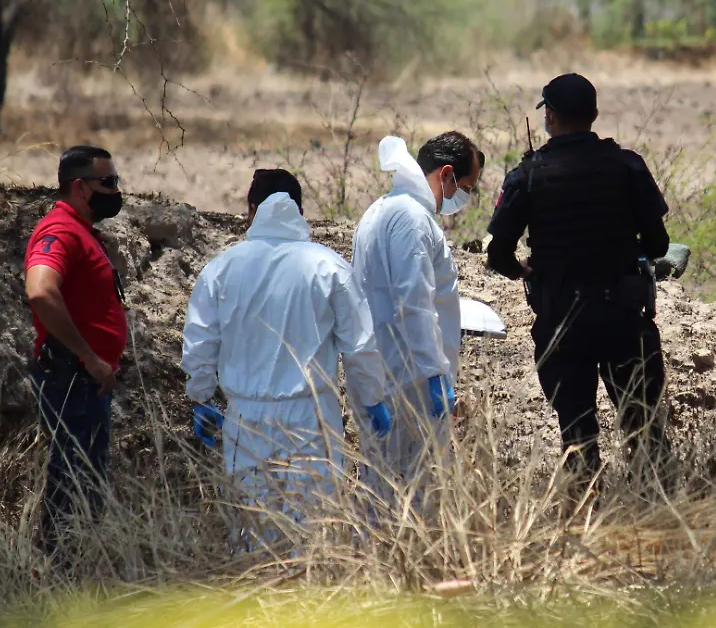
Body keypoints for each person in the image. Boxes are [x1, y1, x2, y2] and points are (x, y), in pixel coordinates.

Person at [180, 169, 393, 548]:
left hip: (244, 420)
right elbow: (360, 346)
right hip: (310, 419)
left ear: (251, 209)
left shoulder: (221, 269)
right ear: (300, 210)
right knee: (312, 527)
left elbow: (199, 343)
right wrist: (372, 399)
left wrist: (201, 397)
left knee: (249, 528)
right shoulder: (327, 266)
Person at [485, 73, 673, 497]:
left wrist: (525, 271)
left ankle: (584, 519)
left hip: (562, 323)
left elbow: (499, 255)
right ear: (595, 115)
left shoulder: (528, 175)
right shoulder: (628, 166)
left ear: (548, 115)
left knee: (577, 436)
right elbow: (659, 243)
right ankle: (658, 517)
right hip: (624, 318)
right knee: (644, 429)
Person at [351, 132, 482, 508]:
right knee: (416, 493)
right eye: (467, 187)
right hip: (410, 379)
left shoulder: (382, 209)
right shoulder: (412, 219)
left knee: (380, 487)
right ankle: (410, 566)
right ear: (446, 176)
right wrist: (435, 375)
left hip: (381, 372)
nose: (464, 198)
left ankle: (377, 565)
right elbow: (415, 303)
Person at [23, 144, 128, 557]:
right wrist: (89, 356)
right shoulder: (60, 231)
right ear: (81, 187)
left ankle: (72, 571)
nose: (116, 191)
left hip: (85, 378)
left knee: (85, 482)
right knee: (73, 483)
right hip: (73, 377)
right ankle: (58, 577)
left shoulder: (82, 232)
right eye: (109, 182)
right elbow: (40, 291)